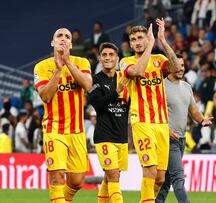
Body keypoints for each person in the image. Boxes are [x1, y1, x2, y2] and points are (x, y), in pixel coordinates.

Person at [119, 18, 182, 203]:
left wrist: (162, 41)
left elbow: (177, 68)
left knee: (160, 178)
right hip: (141, 122)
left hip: (162, 124)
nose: (137, 42)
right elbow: (138, 72)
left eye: (141, 38)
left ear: (147, 39)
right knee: (150, 170)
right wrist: (150, 46)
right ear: (130, 43)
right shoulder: (126, 62)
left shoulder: (159, 60)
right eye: (134, 39)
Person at [33, 28, 92, 203]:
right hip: (54, 129)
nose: (63, 39)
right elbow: (45, 96)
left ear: (71, 44)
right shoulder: (42, 67)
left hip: (77, 131)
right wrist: (58, 71)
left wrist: (67, 62)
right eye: (59, 36)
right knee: (57, 177)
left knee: (77, 182)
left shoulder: (81, 62)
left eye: (67, 37)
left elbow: (88, 86)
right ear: (52, 43)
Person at [156, 55, 213, 203]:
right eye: (178, 65)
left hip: (181, 139)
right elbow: (153, 113)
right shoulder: (160, 86)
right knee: (178, 177)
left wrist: (202, 120)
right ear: (168, 67)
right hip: (167, 139)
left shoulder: (186, 87)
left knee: (167, 180)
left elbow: (193, 110)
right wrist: (166, 130)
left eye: (183, 65)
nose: (181, 68)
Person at [88, 42, 130, 203]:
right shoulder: (94, 80)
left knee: (111, 175)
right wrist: (117, 91)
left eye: (111, 55)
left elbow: (131, 104)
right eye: (104, 55)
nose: (107, 58)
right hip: (104, 136)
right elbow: (98, 104)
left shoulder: (125, 79)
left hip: (121, 136)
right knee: (113, 175)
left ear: (117, 58)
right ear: (99, 58)